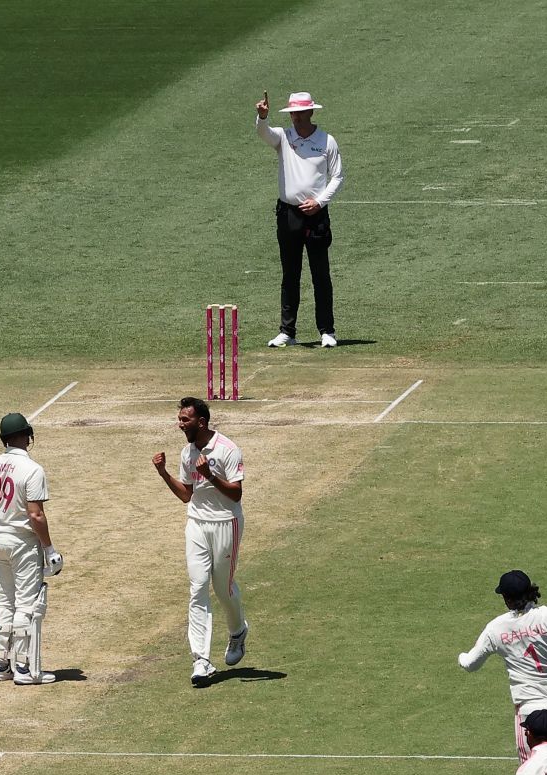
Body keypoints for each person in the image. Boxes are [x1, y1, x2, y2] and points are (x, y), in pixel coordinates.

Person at [458, 570, 547, 761]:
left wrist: (460, 656)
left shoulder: (496, 628)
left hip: (532, 713)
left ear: (506, 599)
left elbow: (470, 664)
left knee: (532, 770)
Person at [152, 396, 247, 687]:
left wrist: (211, 475)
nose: (180, 424)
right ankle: (201, 660)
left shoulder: (228, 449)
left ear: (201, 422)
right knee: (197, 587)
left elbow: (235, 494)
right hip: (196, 524)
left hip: (225, 523)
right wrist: (163, 473)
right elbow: (186, 495)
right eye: (179, 419)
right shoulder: (186, 452)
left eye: (185, 420)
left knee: (222, 587)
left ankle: (238, 632)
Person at [254, 91, 344, 349]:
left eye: (299, 113)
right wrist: (262, 117)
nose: (295, 117)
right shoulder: (284, 137)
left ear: (311, 112)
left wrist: (320, 202)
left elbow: (337, 176)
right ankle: (287, 331)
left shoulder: (326, 141)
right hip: (288, 214)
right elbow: (264, 133)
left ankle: (327, 331)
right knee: (290, 274)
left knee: (320, 274)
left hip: (316, 217)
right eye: (292, 113)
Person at [0, 412, 62, 685]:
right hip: (22, 543)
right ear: (24, 436)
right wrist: (50, 549)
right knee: (28, 603)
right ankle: (24, 669)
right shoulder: (32, 470)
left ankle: (1, 664)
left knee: (4, 599)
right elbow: (36, 515)